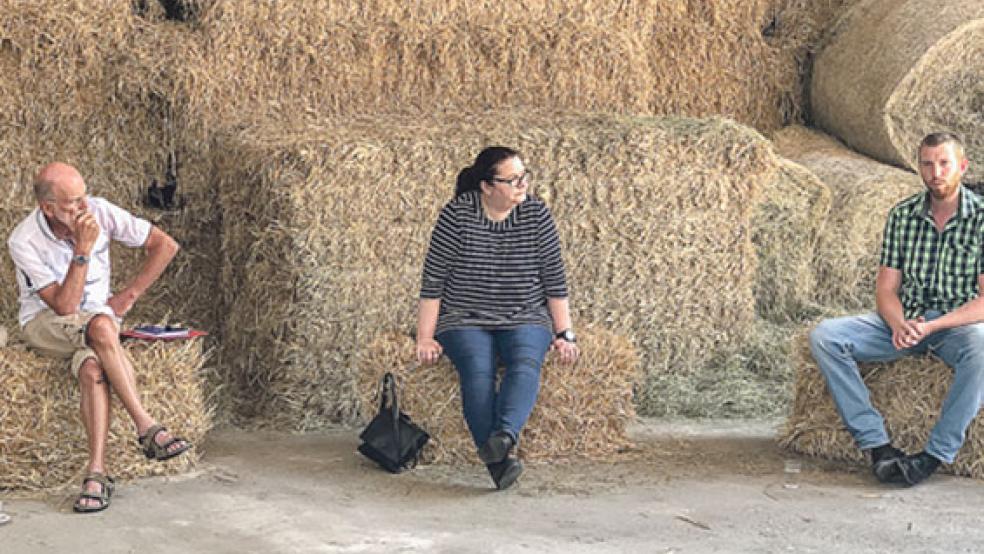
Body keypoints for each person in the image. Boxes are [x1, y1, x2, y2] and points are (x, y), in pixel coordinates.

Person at [7, 162, 191, 513]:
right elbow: (65, 307)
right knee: (104, 327)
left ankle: (96, 473)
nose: (83, 209)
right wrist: (83, 249)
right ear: (48, 208)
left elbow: (164, 245)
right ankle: (146, 426)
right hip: (46, 324)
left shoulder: (101, 211)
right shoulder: (23, 240)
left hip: (94, 324)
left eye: (83, 197)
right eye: (72, 203)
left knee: (93, 368)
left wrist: (129, 295)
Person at [809, 132, 984, 486]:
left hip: (954, 326)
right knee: (825, 336)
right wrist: (899, 323)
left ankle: (935, 454)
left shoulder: (981, 219)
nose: (936, 172)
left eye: (944, 163)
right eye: (928, 163)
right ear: (919, 167)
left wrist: (934, 327)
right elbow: (886, 289)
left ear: (962, 167)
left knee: (982, 347)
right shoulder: (902, 216)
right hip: (905, 322)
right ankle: (876, 445)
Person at [415, 146, 579, 490]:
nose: (523, 185)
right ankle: (498, 461)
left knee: (525, 361)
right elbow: (433, 282)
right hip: (464, 317)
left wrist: (565, 333)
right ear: (487, 186)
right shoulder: (457, 215)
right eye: (513, 179)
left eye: (524, 176)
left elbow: (554, 280)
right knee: (477, 370)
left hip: (525, 315)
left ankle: (504, 436)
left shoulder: (537, 215)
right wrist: (424, 337)